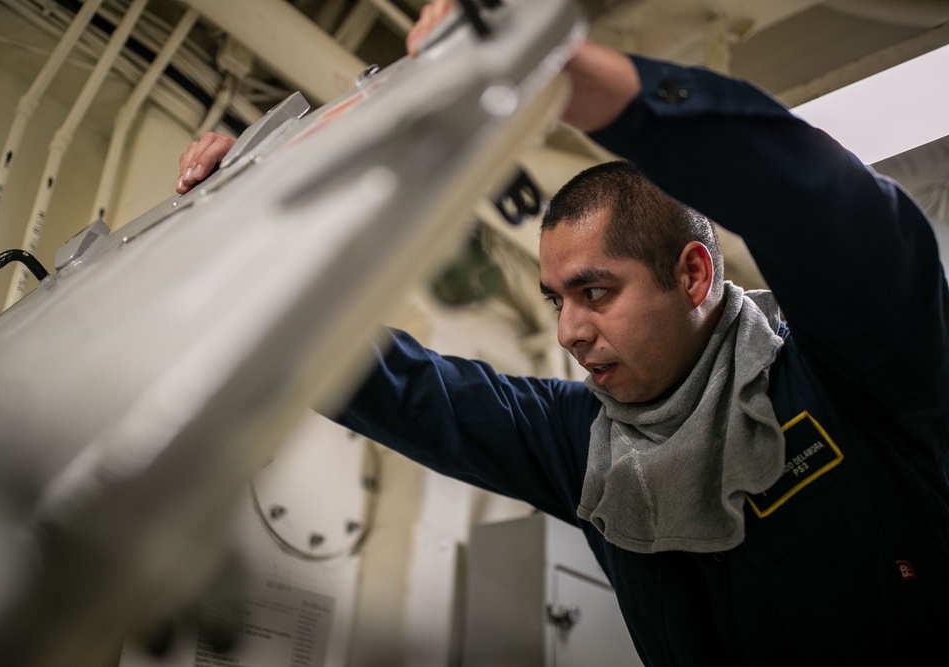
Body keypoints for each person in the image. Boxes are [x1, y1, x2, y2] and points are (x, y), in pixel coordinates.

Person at [178, 2, 949, 663]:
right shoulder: (584, 443)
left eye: (596, 291)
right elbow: (403, 390)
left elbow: (834, 218)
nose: (571, 331)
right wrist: (246, 250)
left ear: (693, 277)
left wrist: (580, 80)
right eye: (556, 299)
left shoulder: (849, 375)